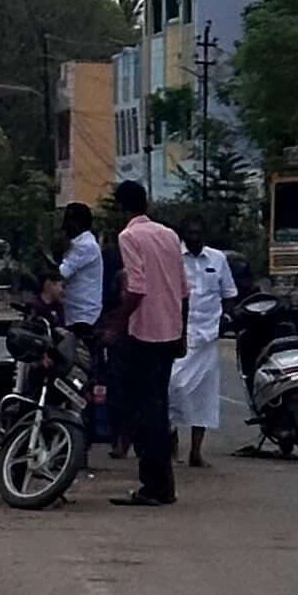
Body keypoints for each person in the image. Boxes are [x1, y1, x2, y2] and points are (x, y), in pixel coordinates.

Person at [108, 180, 190, 505]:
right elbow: (184, 291)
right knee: (158, 407)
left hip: (142, 333)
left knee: (142, 410)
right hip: (169, 331)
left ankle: (152, 486)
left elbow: (136, 288)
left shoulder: (128, 237)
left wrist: (116, 324)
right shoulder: (169, 235)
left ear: (121, 208)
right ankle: (163, 485)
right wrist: (183, 333)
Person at [171, 211, 239, 467]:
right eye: (190, 234)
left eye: (199, 234)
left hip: (208, 336)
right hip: (180, 335)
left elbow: (229, 293)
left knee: (204, 396)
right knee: (173, 387)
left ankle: (196, 452)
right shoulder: (173, 259)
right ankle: (172, 446)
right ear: (183, 236)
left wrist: (226, 319)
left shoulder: (218, 259)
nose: (195, 238)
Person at [52, 200, 106, 444]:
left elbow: (61, 273)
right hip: (75, 314)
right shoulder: (79, 244)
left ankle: (83, 431)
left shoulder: (85, 246)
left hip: (84, 318)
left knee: (79, 375)